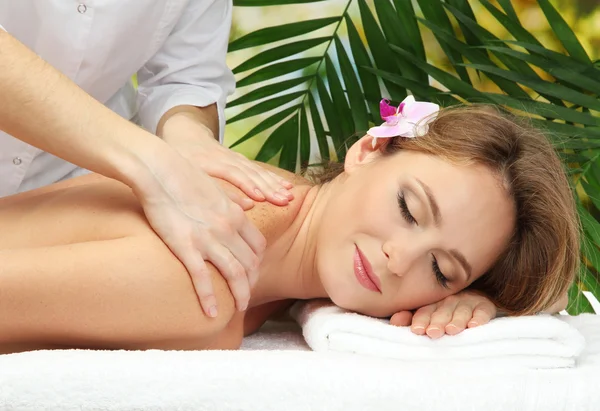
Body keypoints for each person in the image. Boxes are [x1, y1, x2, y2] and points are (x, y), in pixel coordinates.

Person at [0, 103, 578, 354]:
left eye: (440, 267)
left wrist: (478, 304)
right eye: (408, 208)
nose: (399, 259)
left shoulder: (278, 210)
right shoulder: (207, 270)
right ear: (368, 150)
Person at [0, 1, 295, 319]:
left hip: (66, 190)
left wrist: (189, 137)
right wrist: (150, 161)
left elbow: (185, 78)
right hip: (109, 164)